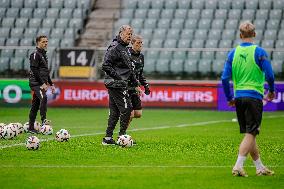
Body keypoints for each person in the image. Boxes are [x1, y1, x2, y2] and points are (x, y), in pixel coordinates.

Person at [221, 21, 275, 177]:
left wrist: (229, 97)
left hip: (239, 97)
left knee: (250, 133)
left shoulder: (233, 53)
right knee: (252, 132)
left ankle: (259, 167)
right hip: (254, 97)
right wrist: (271, 90)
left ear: (240, 35)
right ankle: (238, 166)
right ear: (255, 34)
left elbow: (224, 79)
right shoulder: (259, 52)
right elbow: (270, 75)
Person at [102, 25, 141, 145]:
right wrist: (118, 77)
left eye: (131, 34)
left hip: (118, 83)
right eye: (128, 34)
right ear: (121, 34)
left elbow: (129, 69)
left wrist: (135, 84)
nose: (130, 36)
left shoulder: (124, 48)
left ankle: (108, 138)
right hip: (116, 84)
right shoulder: (115, 48)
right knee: (127, 109)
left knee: (115, 111)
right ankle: (122, 137)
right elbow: (105, 65)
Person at [28, 35, 55, 134]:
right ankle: (44, 120)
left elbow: (45, 72)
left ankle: (31, 127)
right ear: (38, 43)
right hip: (36, 83)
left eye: (46, 41)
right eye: (43, 42)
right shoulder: (35, 54)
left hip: (41, 83)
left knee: (35, 105)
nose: (46, 43)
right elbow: (34, 70)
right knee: (43, 98)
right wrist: (42, 83)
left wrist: (51, 84)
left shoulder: (44, 55)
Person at [127, 35, 150, 128]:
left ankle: (121, 116)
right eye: (138, 43)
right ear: (132, 43)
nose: (140, 45)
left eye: (141, 43)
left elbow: (140, 73)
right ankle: (122, 135)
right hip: (126, 86)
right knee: (130, 114)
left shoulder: (141, 56)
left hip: (135, 87)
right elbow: (128, 72)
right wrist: (136, 85)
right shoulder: (127, 54)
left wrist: (145, 85)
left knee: (138, 114)